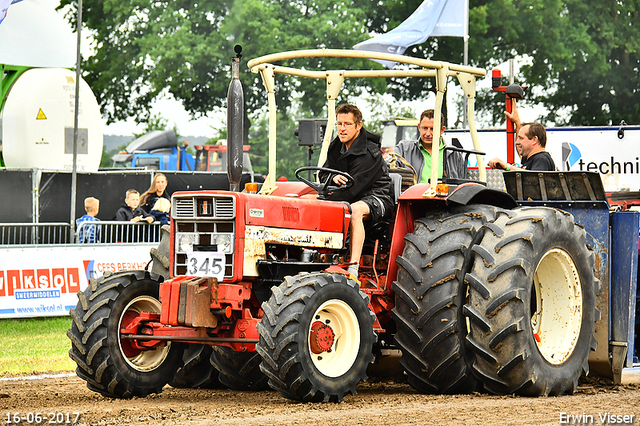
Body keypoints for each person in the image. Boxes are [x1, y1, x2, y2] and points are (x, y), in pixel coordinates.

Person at [321, 104, 394, 277]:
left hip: (377, 197)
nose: (342, 129)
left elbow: (352, 190)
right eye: (339, 124)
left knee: (354, 210)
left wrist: (326, 201)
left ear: (358, 126)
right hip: (351, 194)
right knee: (312, 201)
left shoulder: (369, 153)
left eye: (347, 124)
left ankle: (353, 266)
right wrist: (332, 178)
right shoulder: (336, 146)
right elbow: (323, 174)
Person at [394, 109, 467, 183]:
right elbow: (389, 169)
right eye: (425, 128)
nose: (428, 133)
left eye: (432, 129)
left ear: (442, 130)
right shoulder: (403, 150)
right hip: (413, 194)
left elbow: (464, 184)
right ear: (419, 127)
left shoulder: (455, 154)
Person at [488, 100, 556, 171]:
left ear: (534, 140)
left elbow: (533, 177)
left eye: (521, 138)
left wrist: (507, 167)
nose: (517, 142)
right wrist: (517, 122)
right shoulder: (531, 159)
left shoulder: (541, 159)